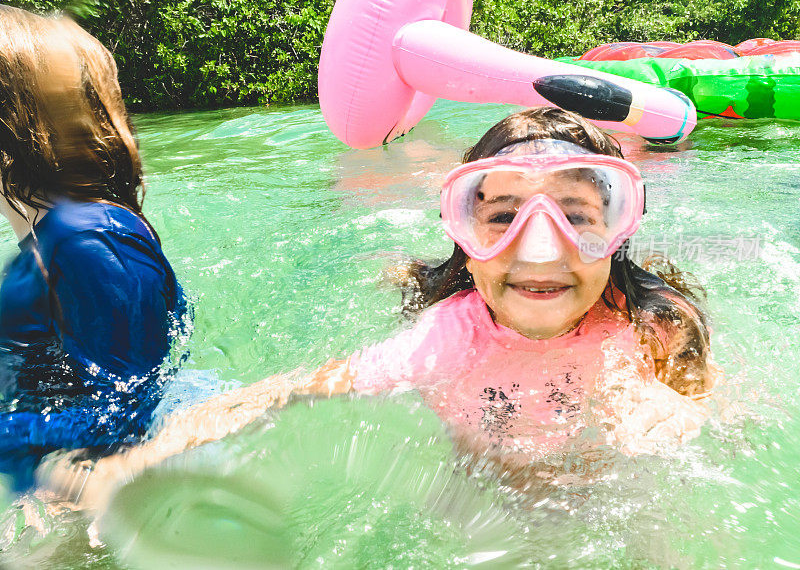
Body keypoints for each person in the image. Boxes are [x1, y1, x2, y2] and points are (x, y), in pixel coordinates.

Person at [45, 107, 719, 508]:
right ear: (463, 236)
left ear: (621, 228)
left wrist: (682, 418)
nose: (539, 250)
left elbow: (716, 416)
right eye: (503, 216)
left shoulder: (651, 328)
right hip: (482, 495)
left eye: (576, 215)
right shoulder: (450, 338)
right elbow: (289, 390)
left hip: (606, 494)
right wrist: (131, 464)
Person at [0, 6, 189, 491]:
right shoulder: (48, 243)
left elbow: (127, 417)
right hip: (58, 476)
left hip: (100, 498)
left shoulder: (91, 245)